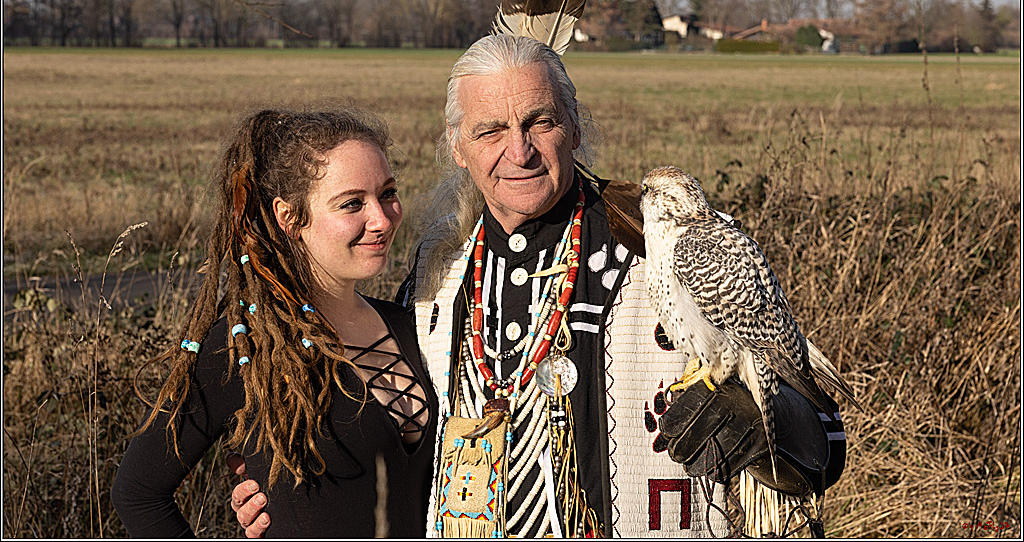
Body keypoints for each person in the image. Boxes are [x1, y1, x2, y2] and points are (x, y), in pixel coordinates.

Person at [233, 36, 848, 538]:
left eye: (540, 122)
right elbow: (388, 438)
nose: (518, 151)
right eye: (490, 131)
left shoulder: (662, 247)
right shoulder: (435, 275)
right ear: (458, 149)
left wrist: (765, 432)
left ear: (574, 129)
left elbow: (824, 446)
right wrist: (282, 492)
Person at [111, 108, 436, 538]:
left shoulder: (415, 325)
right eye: (352, 203)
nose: (381, 219)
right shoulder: (248, 347)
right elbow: (138, 492)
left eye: (388, 193)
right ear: (290, 217)